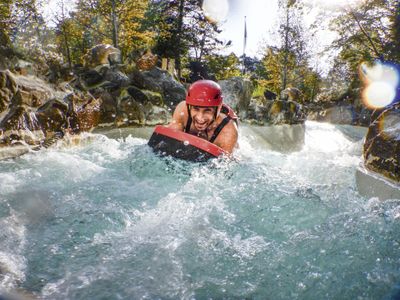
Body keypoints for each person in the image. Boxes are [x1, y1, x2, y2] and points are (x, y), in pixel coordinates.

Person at [168, 80, 238, 154]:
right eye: (195, 108)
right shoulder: (182, 110)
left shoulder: (227, 132)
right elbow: (169, 142)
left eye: (207, 111)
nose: (200, 118)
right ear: (189, 107)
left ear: (219, 109)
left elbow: (225, 163)